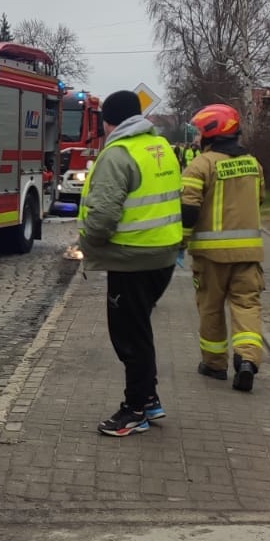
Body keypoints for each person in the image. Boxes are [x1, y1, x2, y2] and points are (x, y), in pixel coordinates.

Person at [77, 90, 184, 437]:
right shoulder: (160, 147)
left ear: (108, 122)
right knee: (140, 330)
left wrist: (88, 244)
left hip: (131, 259)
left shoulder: (118, 154)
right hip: (163, 255)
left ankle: (134, 410)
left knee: (128, 337)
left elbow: (105, 214)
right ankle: (149, 398)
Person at [181, 104, 266, 392]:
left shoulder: (201, 165)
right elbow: (260, 200)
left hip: (210, 256)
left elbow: (188, 209)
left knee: (211, 308)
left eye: (198, 132)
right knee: (246, 306)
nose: (195, 138)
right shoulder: (254, 164)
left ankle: (215, 364)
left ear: (209, 133)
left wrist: (179, 243)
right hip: (249, 254)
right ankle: (246, 361)